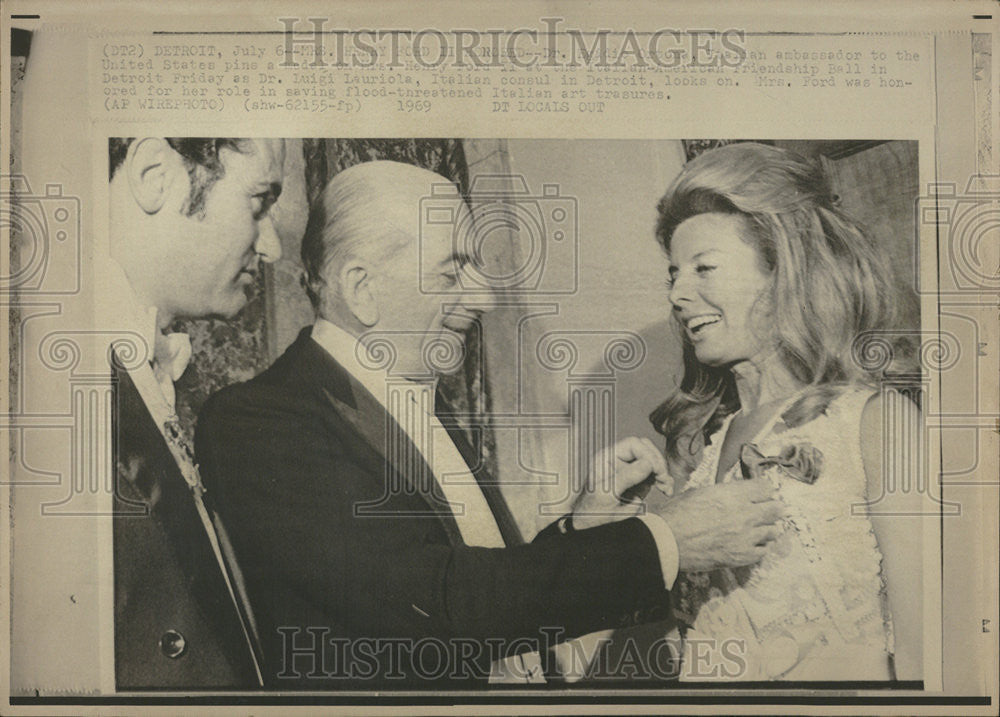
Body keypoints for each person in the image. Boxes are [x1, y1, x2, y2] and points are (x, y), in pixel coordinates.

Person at [195, 160, 787, 687]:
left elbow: (485, 594)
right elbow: (437, 606)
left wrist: (583, 527)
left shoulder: (421, 401)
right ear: (361, 289)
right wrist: (665, 540)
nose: (482, 298)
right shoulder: (262, 421)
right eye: (453, 273)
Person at [648, 142, 923, 681]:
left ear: (784, 270)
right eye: (674, 275)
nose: (679, 294)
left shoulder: (874, 422)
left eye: (704, 268)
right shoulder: (700, 450)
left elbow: (928, 655)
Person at [106, 137, 285, 687]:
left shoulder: (150, 371)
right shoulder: (45, 383)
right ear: (156, 176)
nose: (273, 247)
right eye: (258, 204)